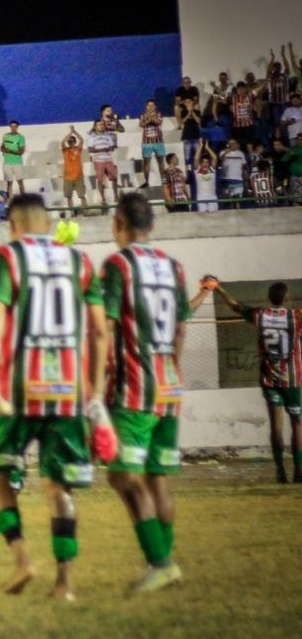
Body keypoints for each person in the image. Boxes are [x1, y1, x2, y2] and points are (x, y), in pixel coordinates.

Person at [0, 193, 117, 600]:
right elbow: (100, 330)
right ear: (49, 222)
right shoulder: (80, 262)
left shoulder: (8, 256)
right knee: (60, 489)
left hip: (19, 389)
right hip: (68, 390)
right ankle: (66, 585)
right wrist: (95, 391)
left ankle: (23, 560)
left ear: (13, 225)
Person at [101, 194, 190, 592]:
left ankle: (161, 562)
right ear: (151, 225)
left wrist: (94, 385)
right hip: (169, 384)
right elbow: (182, 327)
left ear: (118, 223)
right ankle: (164, 566)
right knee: (157, 481)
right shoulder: (174, 267)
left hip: (133, 388)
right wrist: (172, 368)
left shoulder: (118, 265)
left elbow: (104, 328)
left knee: (123, 476)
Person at [212, 281, 301, 483]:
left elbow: (235, 306)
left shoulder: (260, 315)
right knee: (297, 423)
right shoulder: (296, 316)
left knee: (276, 427)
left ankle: (280, 471)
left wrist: (218, 289)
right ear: (287, 299)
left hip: (270, 379)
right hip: (293, 379)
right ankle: (299, 471)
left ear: (268, 298)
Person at [87, 119, 119, 205]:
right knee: (100, 180)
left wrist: (109, 148)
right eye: (99, 125)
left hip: (108, 159)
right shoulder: (92, 137)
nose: (101, 126)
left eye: (102, 124)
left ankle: (116, 196)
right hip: (98, 161)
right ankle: (103, 198)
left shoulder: (108, 136)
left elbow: (112, 147)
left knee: (114, 178)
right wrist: (102, 149)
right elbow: (90, 149)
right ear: (95, 127)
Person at [138, 100, 166, 188]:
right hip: (147, 143)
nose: (150, 107)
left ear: (155, 106)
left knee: (161, 162)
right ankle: (146, 182)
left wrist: (150, 118)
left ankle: (164, 181)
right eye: (148, 106)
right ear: (146, 107)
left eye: (152, 105)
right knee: (146, 162)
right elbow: (141, 124)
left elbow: (158, 122)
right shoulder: (142, 115)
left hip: (158, 141)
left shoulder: (159, 114)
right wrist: (149, 119)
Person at [61, 126, 87, 214]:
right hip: (68, 177)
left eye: (72, 141)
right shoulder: (65, 150)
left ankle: (85, 211)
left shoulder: (78, 149)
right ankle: (72, 212)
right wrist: (70, 134)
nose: (70, 142)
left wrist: (74, 132)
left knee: (82, 195)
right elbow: (62, 142)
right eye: (69, 141)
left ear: (75, 142)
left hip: (78, 175)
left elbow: (82, 140)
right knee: (69, 196)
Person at [1, 120, 26, 195]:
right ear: (10, 127)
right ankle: (9, 201)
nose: (13, 128)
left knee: (20, 182)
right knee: (9, 183)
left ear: (17, 127)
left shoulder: (21, 137)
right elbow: (2, 147)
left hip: (17, 163)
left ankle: (23, 199)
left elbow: (21, 151)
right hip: (7, 163)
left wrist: (9, 151)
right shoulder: (5, 136)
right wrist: (3, 149)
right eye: (12, 126)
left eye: (15, 126)